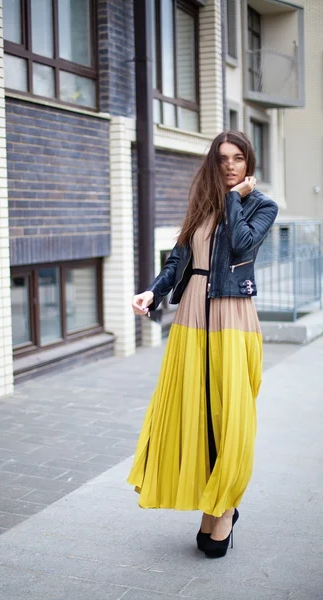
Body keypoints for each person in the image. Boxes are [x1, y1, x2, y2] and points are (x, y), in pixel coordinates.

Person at [127, 130, 278, 559]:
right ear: (213, 164)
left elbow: (242, 242)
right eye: (223, 159)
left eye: (239, 158)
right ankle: (212, 504)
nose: (230, 165)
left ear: (249, 163)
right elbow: (179, 259)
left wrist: (235, 199)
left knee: (230, 415)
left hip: (232, 314)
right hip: (193, 315)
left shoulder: (262, 205)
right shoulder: (201, 207)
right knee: (194, 411)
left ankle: (225, 507)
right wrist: (153, 292)